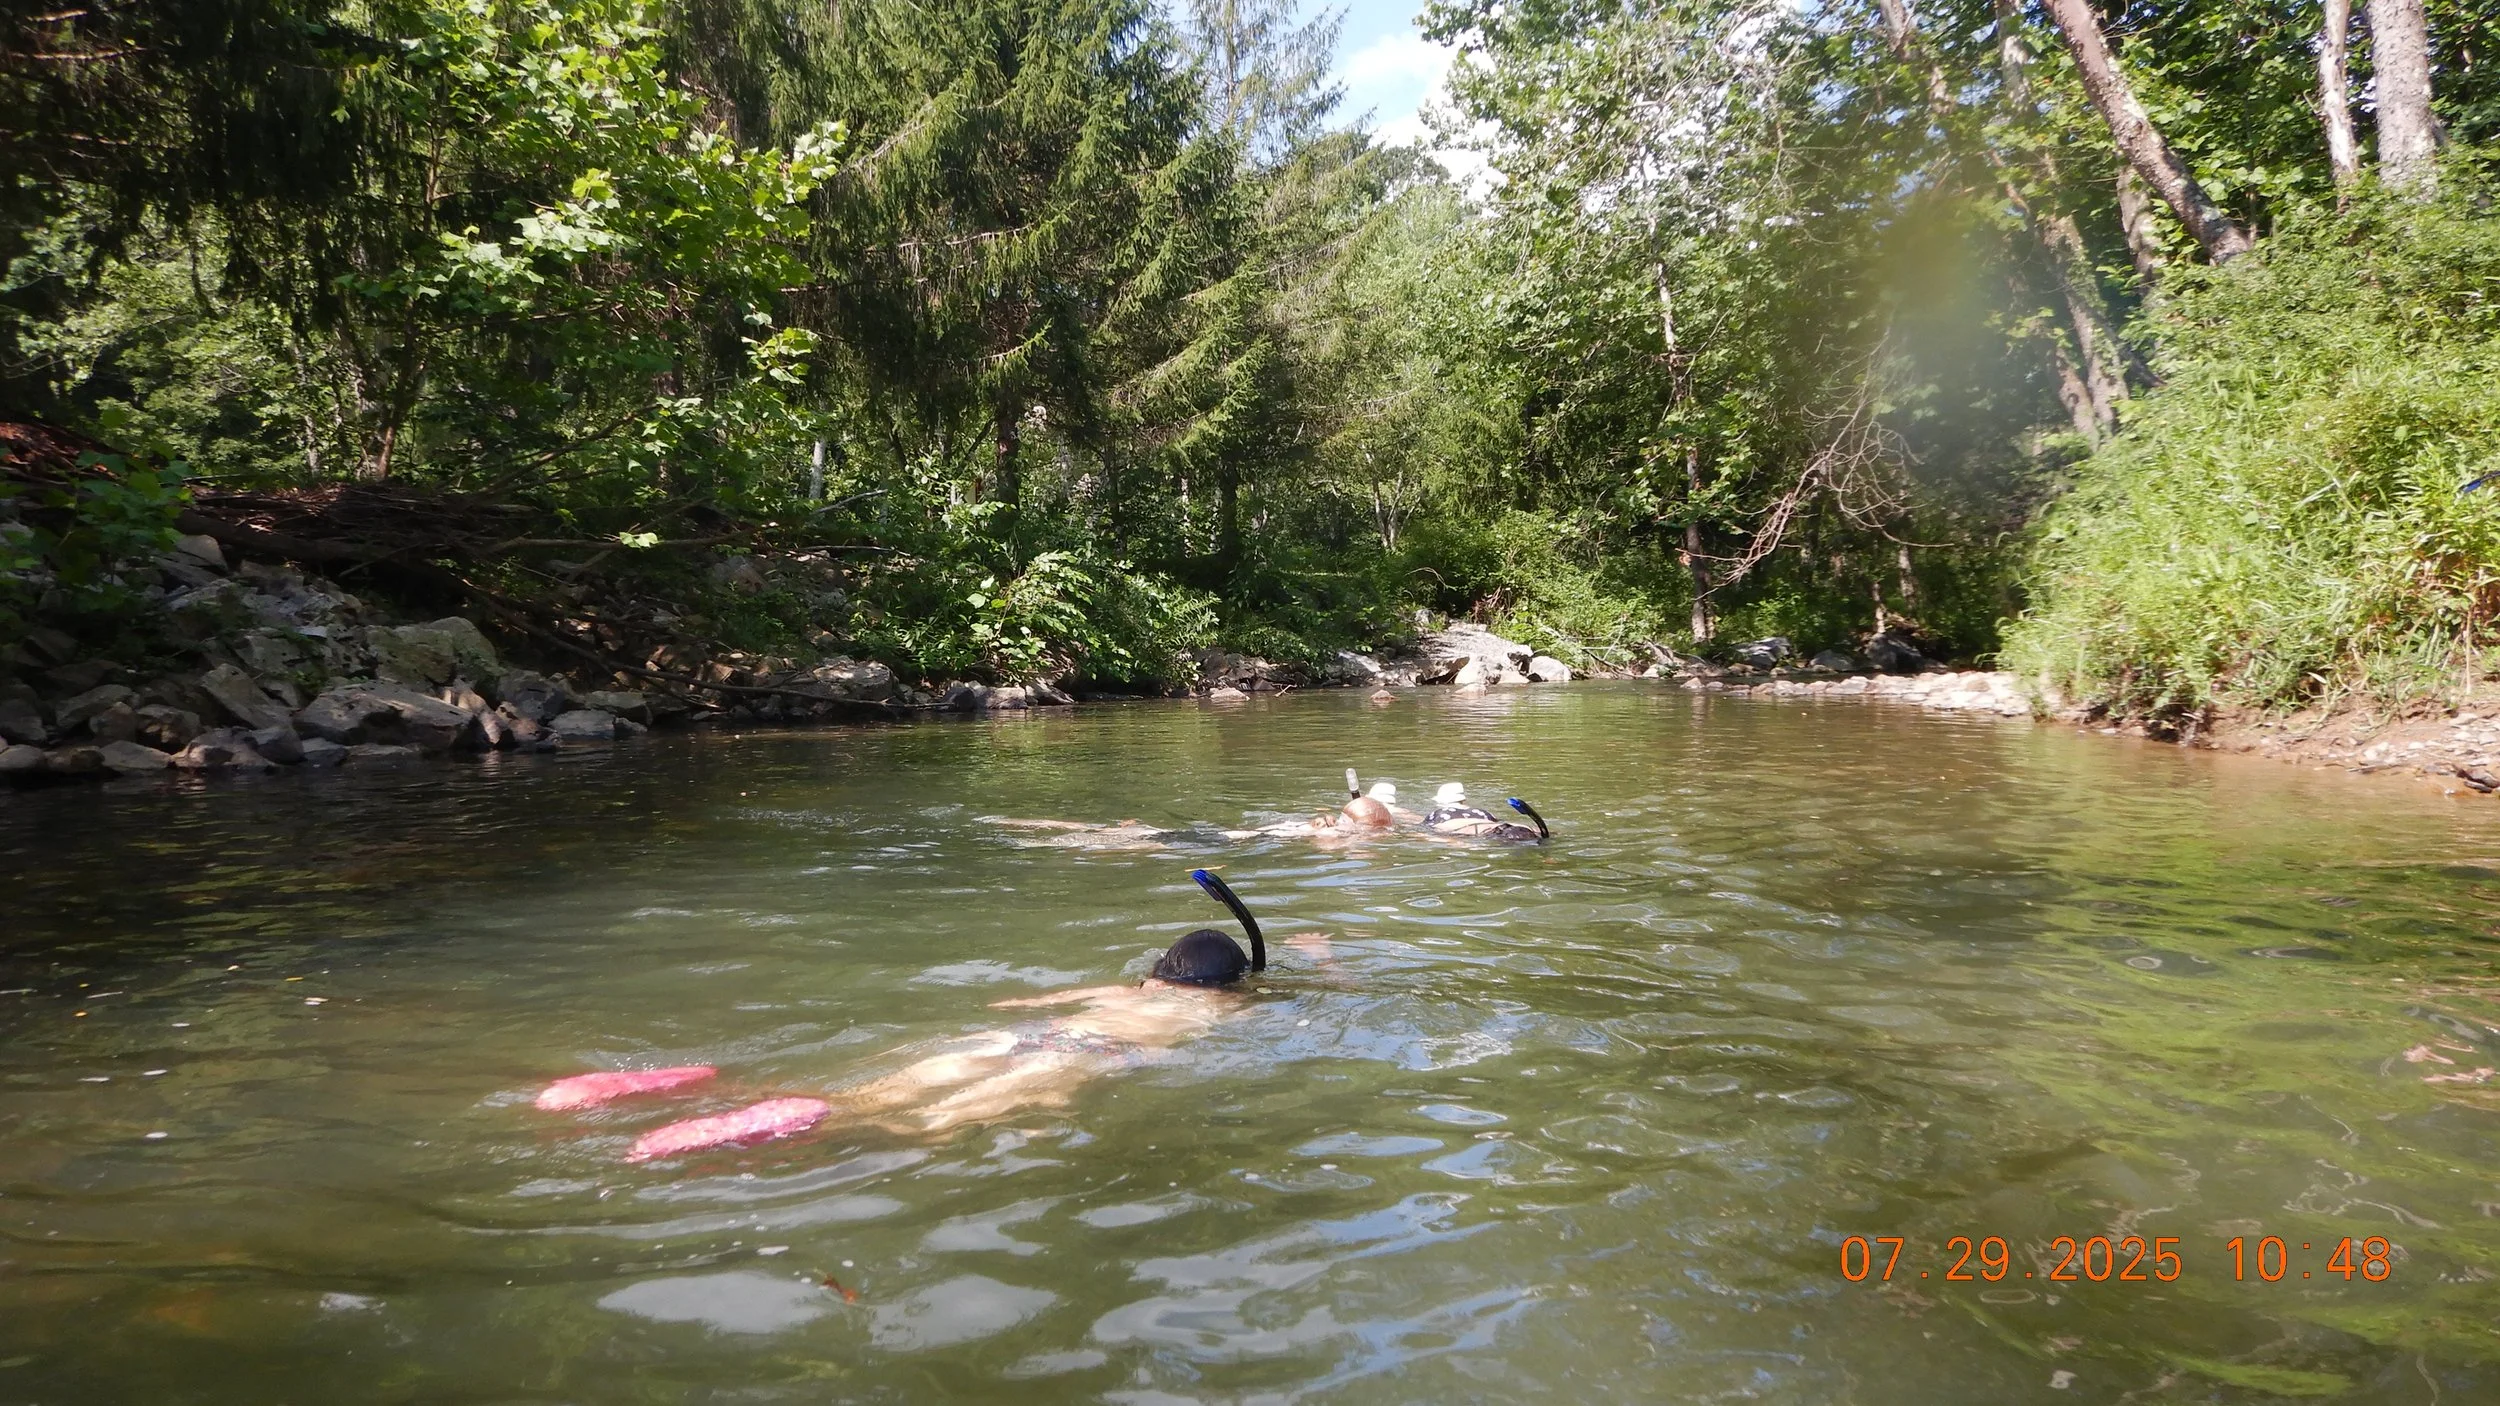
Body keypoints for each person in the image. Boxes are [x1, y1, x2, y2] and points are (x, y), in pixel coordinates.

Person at [584, 871, 1328, 1155]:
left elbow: (1039, 999)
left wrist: (1015, 1005)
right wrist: (1320, 959)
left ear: (1162, 970)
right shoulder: (1223, 1015)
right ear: (1230, 985)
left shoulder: (1127, 990)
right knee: (930, 1123)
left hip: (1031, 1033)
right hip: (1086, 1056)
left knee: (876, 1091)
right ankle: (768, 1130)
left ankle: (700, 1086)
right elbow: (1315, 1003)